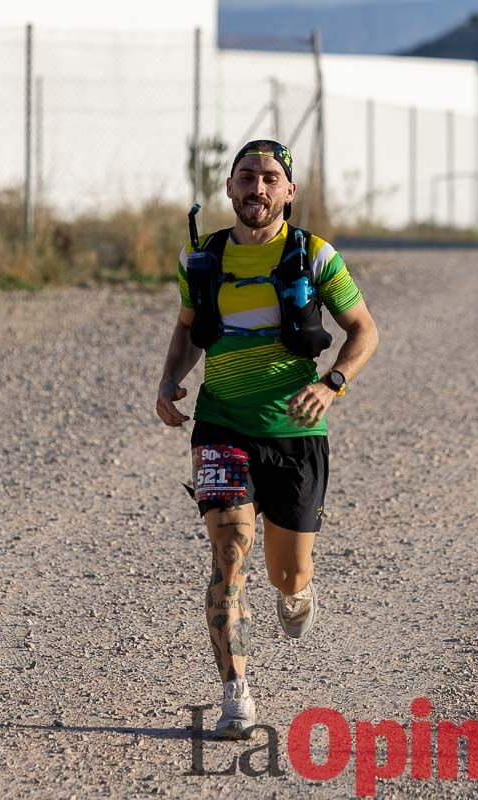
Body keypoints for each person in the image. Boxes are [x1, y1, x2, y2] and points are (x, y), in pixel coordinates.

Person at [155, 140, 379, 739]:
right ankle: (236, 692)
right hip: (222, 424)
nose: (257, 188)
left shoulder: (315, 256)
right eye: (246, 177)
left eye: (270, 178)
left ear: (289, 192)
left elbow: (363, 331)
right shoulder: (200, 258)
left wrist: (331, 385)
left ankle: (297, 590)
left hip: (296, 431)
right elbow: (186, 329)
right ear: (228, 189)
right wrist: (169, 379)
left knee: (287, 574)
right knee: (229, 555)